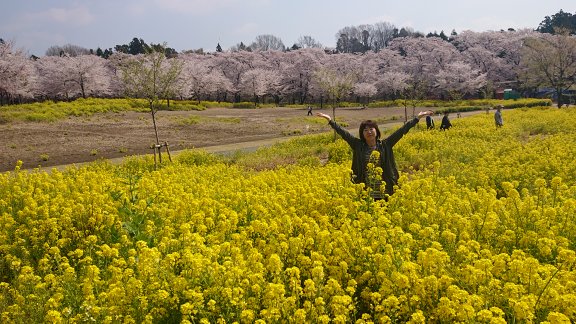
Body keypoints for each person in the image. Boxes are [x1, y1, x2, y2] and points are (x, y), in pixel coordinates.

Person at [316, 110, 433, 199]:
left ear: (376, 131)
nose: (369, 132)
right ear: (362, 133)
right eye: (365, 130)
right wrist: (330, 121)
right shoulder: (358, 145)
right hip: (366, 189)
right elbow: (344, 133)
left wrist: (417, 118)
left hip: (385, 188)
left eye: (371, 129)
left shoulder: (385, 145)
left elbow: (401, 131)